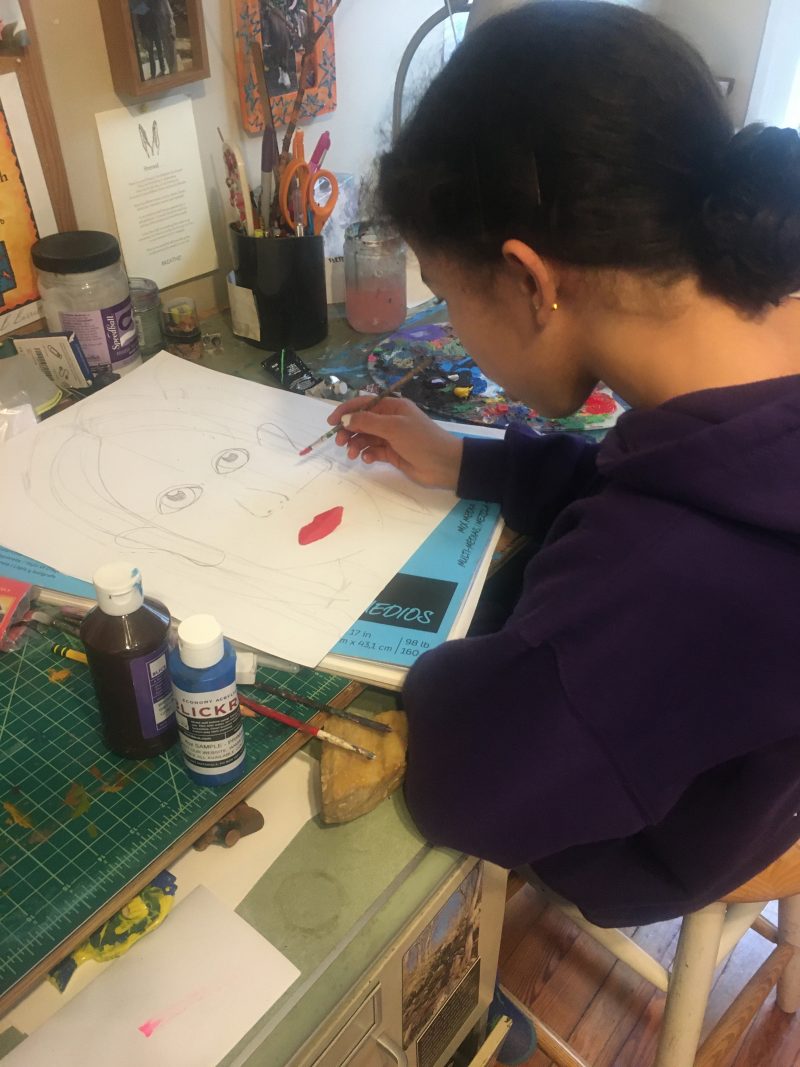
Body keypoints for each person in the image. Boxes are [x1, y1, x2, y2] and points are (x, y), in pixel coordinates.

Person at [328, 1, 800, 930]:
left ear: (530, 278)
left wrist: (428, 677)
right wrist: (470, 459)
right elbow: (663, 484)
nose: (452, 323)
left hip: (681, 836)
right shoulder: (761, 376)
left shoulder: (661, 571)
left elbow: (470, 784)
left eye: (449, 295)